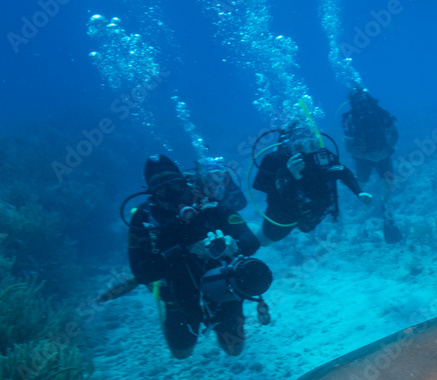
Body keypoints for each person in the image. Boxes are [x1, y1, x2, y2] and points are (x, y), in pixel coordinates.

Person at [127, 154, 267, 359]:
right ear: (151, 192)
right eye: (160, 188)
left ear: (183, 182)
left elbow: (251, 241)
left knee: (234, 350)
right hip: (177, 299)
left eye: (173, 185)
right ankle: (159, 297)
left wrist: (234, 245)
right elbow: (140, 272)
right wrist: (186, 251)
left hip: (224, 290)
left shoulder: (209, 204)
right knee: (181, 354)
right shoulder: (143, 218)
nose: (169, 194)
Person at [252, 126, 372, 245]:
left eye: (311, 144)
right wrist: (291, 176)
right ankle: (246, 232)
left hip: (314, 211)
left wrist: (358, 192)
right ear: (290, 145)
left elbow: (343, 172)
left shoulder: (322, 156)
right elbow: (268, 188)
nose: (306, 150)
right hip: (284, 213)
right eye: (299, 146)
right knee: (264, 240)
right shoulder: (278, 159)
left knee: (300, 230)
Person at [342, 86, 402, 243]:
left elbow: (395, 134)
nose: (363, 106)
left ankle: (385, 207)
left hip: (383, 153)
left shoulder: (381, 114)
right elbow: (349, 147)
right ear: (354, 104)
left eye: (365, 102)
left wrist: (387, 149)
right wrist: (367, 156)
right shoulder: (350, 120)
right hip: (363, 158)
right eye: (359, 103)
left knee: (389, 184)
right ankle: (360, 206)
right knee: (361, 183)